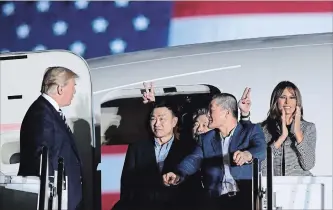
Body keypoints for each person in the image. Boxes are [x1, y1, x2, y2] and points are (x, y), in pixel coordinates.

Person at [163, 93, 266, 210]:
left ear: (226, 112)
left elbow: (261, 150)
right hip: (215, 202)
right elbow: (193, 159)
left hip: (245, 200)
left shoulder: (251, 130)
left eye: (211, 110)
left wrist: (248, 154)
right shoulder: (205, 138)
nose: (208, 114)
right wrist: (178, 174)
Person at [117, 100, 202, 210]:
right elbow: (127, 184)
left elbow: (192, 188)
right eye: (153, 119)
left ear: (174, 122)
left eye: (162, 119)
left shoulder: (187, 149)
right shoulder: (137, 148)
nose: (157, 124)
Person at [18, 66, 83, 210]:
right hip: (56, 200)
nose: (74, 92)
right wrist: (53, 199)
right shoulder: (41, 115)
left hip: (64, 198)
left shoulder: (48, 111)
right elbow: (43, 161)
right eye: (73, 87)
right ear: (60, 89)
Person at [261, 81, 316, 176]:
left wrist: (298, 133)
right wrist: (282, 137)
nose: (287, 102)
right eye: (283, 97)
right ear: (276, 100)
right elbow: (260, 165)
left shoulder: (308, 128)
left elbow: (308, 165)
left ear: (297, 101)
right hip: (273, 186)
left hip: (300, 186)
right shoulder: (262, 129)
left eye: (292, 97)